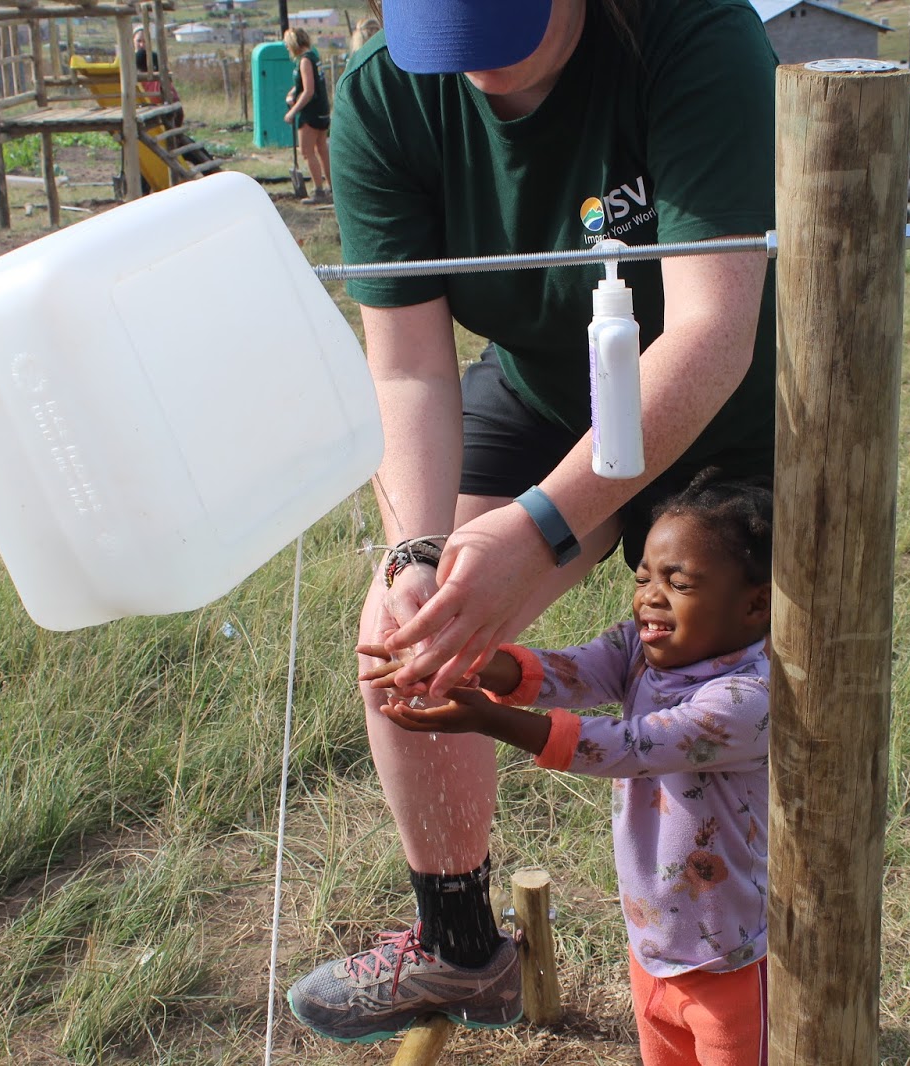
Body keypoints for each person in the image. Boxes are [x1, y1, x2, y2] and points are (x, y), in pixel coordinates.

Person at [284, 0, 777, 1045]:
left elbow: (709, 328)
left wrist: (545, 524)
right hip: (553, 392)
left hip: (726, 413)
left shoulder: (694, 39)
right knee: (401, 627)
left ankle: (763, 969)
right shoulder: (380, 97)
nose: (483, 76)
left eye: (508, 32)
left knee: (723, 724)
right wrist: (420, 553)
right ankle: (460, 950)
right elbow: (410, 367)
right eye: (448, 47)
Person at [362, 473, 773, 1065]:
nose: (650, 598)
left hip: (728, 962)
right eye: (643, 578)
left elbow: (628, 744)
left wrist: (493, 721)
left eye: (678, 583)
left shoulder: (746, 699)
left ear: (754, 604)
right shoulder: (641, 646)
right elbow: (570, 671)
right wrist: (469, 665)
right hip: (653, 947)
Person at [282, 27, 331, 205]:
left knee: (307, 152)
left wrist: (292, 112)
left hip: (311, 113)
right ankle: (332, 189)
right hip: (322, 109)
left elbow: (309, 91)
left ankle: (319, 191)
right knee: (322, 150)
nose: (287, 48)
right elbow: (306, 85)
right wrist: (293, 92)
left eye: (287, 44)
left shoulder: (304, 61)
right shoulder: (313, 57)